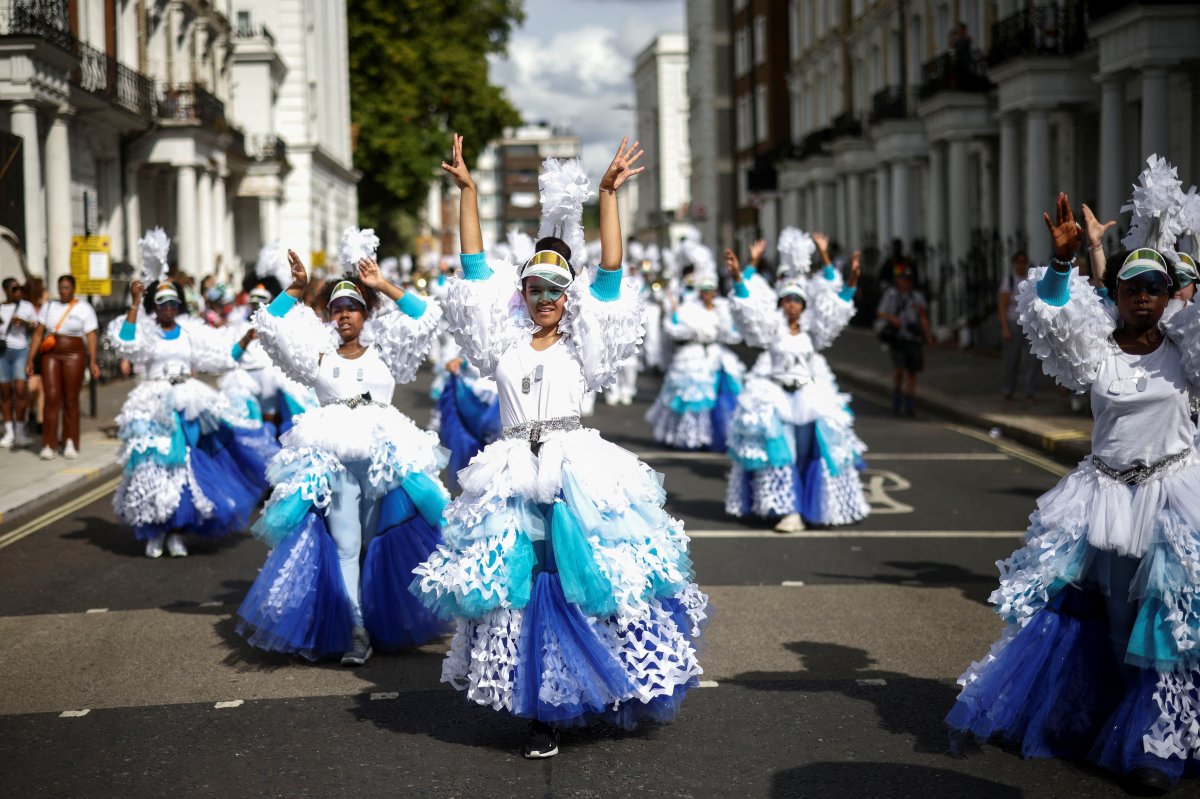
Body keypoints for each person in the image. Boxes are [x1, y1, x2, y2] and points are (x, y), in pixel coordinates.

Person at [413, 134, 708, 759]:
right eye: (534, 289)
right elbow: (472, 272)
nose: (545, 299)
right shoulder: (502, 343)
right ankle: (542, 708)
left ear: (567, 296)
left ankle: (599, 680)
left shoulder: (585, 341)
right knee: (526, 589)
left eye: (555, 289)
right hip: (514, 472)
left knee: (590, 583)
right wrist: (467, 193)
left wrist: (607, 198)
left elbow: (611, 277)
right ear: (520, 294)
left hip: (578, 471)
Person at [946, 178, 1200, 794]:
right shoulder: (1097, 352)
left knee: (1164, 623)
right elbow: (1056, 320)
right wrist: (1062, 263)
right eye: (1132, 287)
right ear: (1113, 293)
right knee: (1104, 620)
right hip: (1104, 497)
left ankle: (1153, 746)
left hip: (1172, 497)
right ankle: (1097, 715)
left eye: (1155, 288)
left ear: (1170, 297)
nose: (1143, 297)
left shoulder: (1187, 351)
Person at [236, 233, 449, 667]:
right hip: (333, 458)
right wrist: (295, 289)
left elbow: (427, 315)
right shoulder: (317, 354)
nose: (345, 315)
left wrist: (383, 284)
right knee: (346, 546)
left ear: (365, 313)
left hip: (383, 458)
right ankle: (356, 629)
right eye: (337, 308)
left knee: (376, 543)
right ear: (329, 316)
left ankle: (377, 617)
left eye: (352, 307)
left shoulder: (385, 350)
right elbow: (271, 327)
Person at [106, 275, 267, 558]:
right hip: (153, 404)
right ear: (154, 306)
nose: (167, 308)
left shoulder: (190, 332)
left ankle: (177, 534)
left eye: (172, 303)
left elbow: (222, 358)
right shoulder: (146, 331)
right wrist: (134, 302)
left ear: (178, 305)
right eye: (161, 303)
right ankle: (155, 532)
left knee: (185, 468)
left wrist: (246, 338)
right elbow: (125, 344)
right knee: (152, 468)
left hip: (188, 402)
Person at [724, 240, 869, 533]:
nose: (792, 305)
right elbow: (747, 311)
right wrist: (739, 276)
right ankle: (788, 510)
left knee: (806, 454)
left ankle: (807, 506)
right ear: (780, 303)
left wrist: (852, 278)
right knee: (783, 453)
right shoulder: (772, 329)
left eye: (797, 300)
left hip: (806, 398)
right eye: (787, 299)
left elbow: (839, 308)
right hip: (777, 396)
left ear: (804, 305)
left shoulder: (812, 332)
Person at [646, 254, 744, 452]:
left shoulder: (723, 308)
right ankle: (691, 437)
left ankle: (714, 437)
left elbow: (734, 334)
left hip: (717, 356)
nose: (708, 294)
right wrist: (685, 324)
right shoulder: (688, 308)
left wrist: (722, 321)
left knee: (722, 399)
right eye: (705, 290)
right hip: (692, 356)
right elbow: (674, 328)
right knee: (690, 398)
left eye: (711, 290)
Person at [25, 275, 99, 460]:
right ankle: (48, 444)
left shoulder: (84, 308)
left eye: (67, 287)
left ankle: (70, 442)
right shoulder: (49, 307)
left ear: (73, 289)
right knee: (51, 397)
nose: (64, 291)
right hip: (51, 354)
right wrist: (30, 359)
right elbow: (38, 334)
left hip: (74, 354)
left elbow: (91, 335)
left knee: (71, 399)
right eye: (61, 288)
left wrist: (93, 361)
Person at [876, 265, 932, 416]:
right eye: (902, 279)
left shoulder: (917, 297)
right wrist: (892, 318)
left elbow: (923, 317)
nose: (905, 282)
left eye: (907, 279)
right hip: (897, 338)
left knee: (912, 372)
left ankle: (909, 401)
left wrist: (928, 335)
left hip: (913, 338)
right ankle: (896, 396)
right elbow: (880, 312)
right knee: (899, 370)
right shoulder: (891, 295)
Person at [0, 277, 36, 448]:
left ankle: (20, 431)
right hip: (3, 352)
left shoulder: (26, 306)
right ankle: (9, 432)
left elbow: (37, 328)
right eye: (14, 289)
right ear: (6, 291)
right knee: (5, 393)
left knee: (21, 391)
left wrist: (25, 323)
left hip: (21, 350)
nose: (18, 292)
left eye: (20, 289)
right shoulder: (1, 307)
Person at [998, 252, 1037, 401]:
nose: (1021, 265)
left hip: (1030, 323)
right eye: (1018, 262)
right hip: (1013, 321)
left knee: (1032, 359)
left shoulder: (1031, 280)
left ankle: (1030, 390)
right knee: (1011, 359)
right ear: (1014, 264)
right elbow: (1002, 305)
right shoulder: (1009, 280)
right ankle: (1008, 389)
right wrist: (1005, 328)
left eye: (1024, 262)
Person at [23, 277, 45, 436]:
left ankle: (40, 421)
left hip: (44, 351)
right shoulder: (24, 308)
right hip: (29, 351)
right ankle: (31, 412)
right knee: (32, 388)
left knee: (42, 387)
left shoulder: (45, 308)